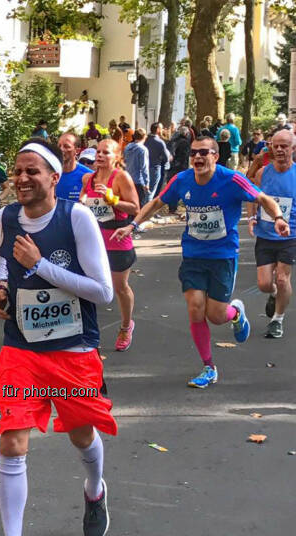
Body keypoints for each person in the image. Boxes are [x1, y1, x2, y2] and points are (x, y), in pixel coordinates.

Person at [0, 138, 115, 536]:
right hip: (21, 349)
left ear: (55, 177)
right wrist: (1, 289)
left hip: (73, 349)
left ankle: (95, 491)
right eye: (17, 171)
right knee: (13, 442)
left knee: (80, 434)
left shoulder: (77, 218)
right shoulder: (8, 216)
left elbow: (103, 292)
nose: (21, 179)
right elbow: (1, 259)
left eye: (32, 171)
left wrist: (41, 266)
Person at [112, 136, 287, 388]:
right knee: (195, 306)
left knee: (216, 315)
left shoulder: (231, 179)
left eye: (204, 152)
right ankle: (208, 366)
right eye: (194, 153)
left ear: (215, 156)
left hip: (222, 256)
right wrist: (133, 224)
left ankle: (235, 312)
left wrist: (278, 217)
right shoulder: (182, 179)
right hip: (193, 254)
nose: (198, 157)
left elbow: (262, 198)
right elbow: (158, 202)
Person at [80, 139, 140, 351]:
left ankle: (125, 326)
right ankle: (85, 330)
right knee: (85, 287)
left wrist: (113, 199)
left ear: (117, 157)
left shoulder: (121, 177)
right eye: (98, 152)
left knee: (120, 287)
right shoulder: (88, 178)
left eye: (106, 152)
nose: (100, 155)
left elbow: (135, 208)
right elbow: (83, 205)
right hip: (93, 241)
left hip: (117, 239)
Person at [247, 130, 296, 338]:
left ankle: (277, 319)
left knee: (283, 278)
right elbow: (252, 195)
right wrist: (251, 217)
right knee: (264, 284)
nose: (279, 149)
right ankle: (274, 294)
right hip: (265, 234)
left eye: (284, 146)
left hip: (290, 235)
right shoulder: (263, 173)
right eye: (275, 145)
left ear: (293, 148)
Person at [56, 132, 93, 202]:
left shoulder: (89, 176)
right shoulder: (50, 174)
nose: (61, 149)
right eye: (59, 146)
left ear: (77, 150)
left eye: (66, 146)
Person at [165, 127, 191, 214]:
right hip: (180, 168)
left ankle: (171, 207)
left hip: (171, 167)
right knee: (179, 188)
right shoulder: (185, 143)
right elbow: (185, 157)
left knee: (171, 187)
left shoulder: (171, 141)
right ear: (186, 134)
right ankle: (175, 207)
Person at [124, 128, 150, 206]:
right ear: (144, 137)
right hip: (139, 180)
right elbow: (144, 167)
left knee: (130, 203)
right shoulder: (143, 149)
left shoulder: (128, 147)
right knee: (140, 204)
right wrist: (147, 182)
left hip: (128, 178)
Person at [145, 122, 171, 200]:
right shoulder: (160, 142)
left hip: (144, 168)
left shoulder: (145, 139)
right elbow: (166, 158)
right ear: (157, 129)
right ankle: (148, 211)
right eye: (161, 128)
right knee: (151, 192)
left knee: (145, 192)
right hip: (155, 168)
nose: (163, 130)